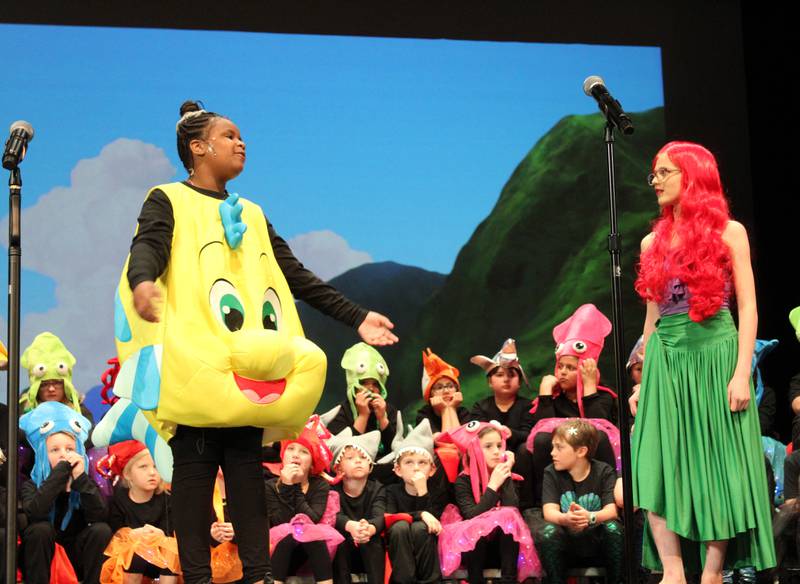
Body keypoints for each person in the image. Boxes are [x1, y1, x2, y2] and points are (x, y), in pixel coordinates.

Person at [120, 100, 397, 584]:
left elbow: (292, 274)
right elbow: (148, 245)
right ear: (198, 146)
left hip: (249, 368)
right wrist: (144, 280)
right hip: (201, 367)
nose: (240, 142)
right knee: (195, 476)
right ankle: (198, 576)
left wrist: (355, 317)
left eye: (240, 135)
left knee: (247, 477)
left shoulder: (250, 211)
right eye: (228, 135)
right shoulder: (168, 198)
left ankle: (259, 574)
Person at [630, 141, 775, 582]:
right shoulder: (651, 240)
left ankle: (711, 574)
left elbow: (747, 308)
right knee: (653, 460)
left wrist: (740, 372)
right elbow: (652, 317)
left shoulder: (729, 232)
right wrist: (642, 377)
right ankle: (672, 571)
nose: (655, 181)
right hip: (665, 359)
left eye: (665, 172)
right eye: (654, 173)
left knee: (718, 462)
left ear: (692, 177)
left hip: (715, 353)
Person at [526, 304, 620, 508]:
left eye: (571, 368)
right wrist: (544, 394)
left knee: (599, 437)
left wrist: (588, 387)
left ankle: (609, 504)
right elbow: (540, 428)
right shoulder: (554, 398)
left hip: (591, 470)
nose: (562, 373)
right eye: (560, 366)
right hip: (560, 468)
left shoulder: (603, 396)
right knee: (541, 441)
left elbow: (601, 427)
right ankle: (544, 505)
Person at [19, 401, 112, 584]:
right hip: (42, 554)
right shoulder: (31, 485)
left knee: (101, 530)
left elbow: (99, 515)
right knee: (40, 529)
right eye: (54, 450)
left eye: (70, 449)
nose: (63, 455)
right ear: (42, 456)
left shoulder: (84, 482)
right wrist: (59, 475)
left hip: (74, 552)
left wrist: (80, 479)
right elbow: (36, 513)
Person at [438, 421, 540, 583]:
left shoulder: (509, 476)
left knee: (508, 518)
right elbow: (472, 515)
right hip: (474, 552)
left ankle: (509, 581)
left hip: (505, 553)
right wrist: (493, 485)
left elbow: (512, 511)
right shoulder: (463, 480)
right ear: (472, 452)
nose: (496, 452)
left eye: (499, 446)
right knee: (477, 527)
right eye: (488, 446)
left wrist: (505, 474)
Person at [535, 419, 622, 584]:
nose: (552, 453)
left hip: (596, 541)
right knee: (547, 532)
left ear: (581, 451)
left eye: (559, 447)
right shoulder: (551, 472)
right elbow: (549, 511)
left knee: (613, 528)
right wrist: (565, 519)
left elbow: (611, 511)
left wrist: (590, 517)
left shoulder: (604, 471)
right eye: (553, 447)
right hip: (566, 543)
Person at [266, 422, 340, 584]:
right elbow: (281, 522)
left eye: (304, 451)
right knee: (287, 536)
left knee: (312, 536)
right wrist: (286, 485)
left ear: (312, 463)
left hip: (309, 554)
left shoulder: (319, 485)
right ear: (283, 456)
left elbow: (311, 519)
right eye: (291, 449)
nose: (295, 455)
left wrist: (296, 487)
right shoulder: (270, 486)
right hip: (279, 551)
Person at [101, 440, 179, 584]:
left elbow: (168, 532)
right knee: (135, 552)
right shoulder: (118, 499)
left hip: (160, 553)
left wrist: (158, 534)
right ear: (128, 474)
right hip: (129, 557)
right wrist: (132, 534)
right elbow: (115, 533)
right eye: (143, 467)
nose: (152, 472)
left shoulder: (167, 498)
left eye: (156, 467)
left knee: (171, 551)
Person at [379, 418, 445, 584]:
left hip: (429, 542)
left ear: (432, 470)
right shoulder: (391, 491)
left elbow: (434, 522)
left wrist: (423, 492)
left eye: (422, 463)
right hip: (400, 542)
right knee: (400, 526)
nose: (416, 467)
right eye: (409, 462)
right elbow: (392, 517)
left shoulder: (437, 491)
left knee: (420, 528)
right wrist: (421, 513)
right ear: (398, 470)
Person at [327, 429, 386, 584]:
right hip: (343, 553)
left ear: (371, 466)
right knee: (338, 539)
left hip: (368, 545)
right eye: (350, 458)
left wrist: (369, 528)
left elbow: (380, 516)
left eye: (363, 457)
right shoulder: (332, 490)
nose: (358, 461)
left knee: (373, 541)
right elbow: (332, 515)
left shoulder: (377, 488)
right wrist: (350, 526)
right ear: (338, 468)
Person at [326, 342, 399, 460]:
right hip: (350, 467)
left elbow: (395, 449)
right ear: (354, 385)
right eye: (364, 383)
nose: (370, 388)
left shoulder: (389, 410)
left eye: (375, 384)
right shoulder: (342, 411)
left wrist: (382, 418)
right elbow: (341, 452)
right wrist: (363, 416)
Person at [469, 338, 536, 453]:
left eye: (511, 375)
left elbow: (530, 435)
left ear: (519, 382)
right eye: (499, 375)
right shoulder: (480, 407)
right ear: (490, 382)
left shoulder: (529, 406)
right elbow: (477, 434)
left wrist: (511, 433)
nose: (506, 379)